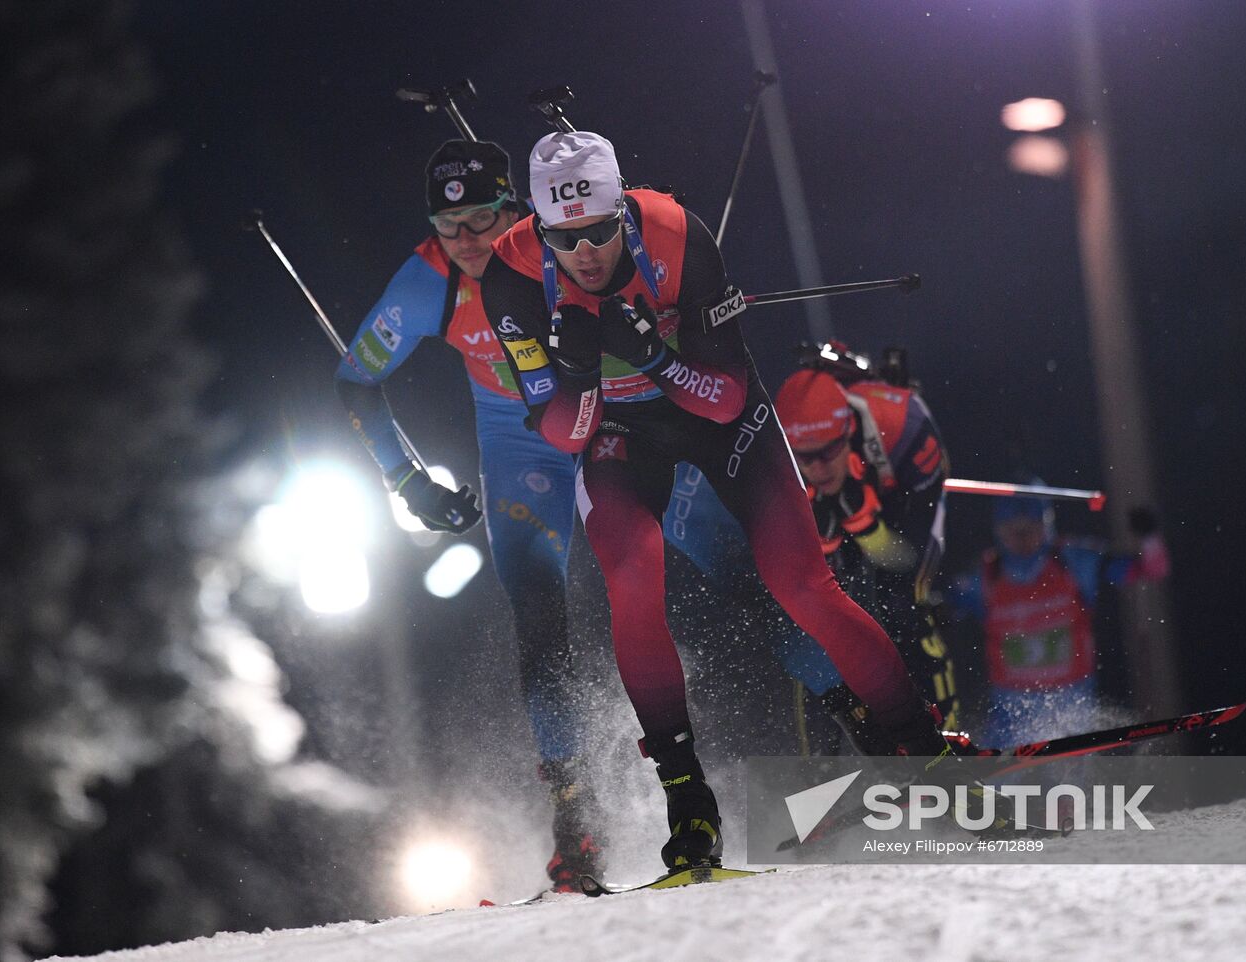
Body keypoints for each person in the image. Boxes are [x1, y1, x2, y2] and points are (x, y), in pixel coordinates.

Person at [480, 130, 962, 871]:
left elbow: (726, 397)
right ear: (539, 227)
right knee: (633, 575)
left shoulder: (674, 234)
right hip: (615, 429)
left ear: (624, 215)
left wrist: (651, 357)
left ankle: (922, 750)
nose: (585, 253)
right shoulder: (512, 274)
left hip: (712, 413)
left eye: (601, 232)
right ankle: (688, 801)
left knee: (801, 583)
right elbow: (564, 434)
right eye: (564, 237)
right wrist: (577, 374)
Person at [334, 139, 604, 891]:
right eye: (449, 225)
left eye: (483, 218)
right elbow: (354, 382)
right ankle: (576, 824)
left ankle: (877, 762)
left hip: (611, 427)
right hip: (524, 452)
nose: (469, 241)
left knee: (719, 571)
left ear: (515, 210)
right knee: (541, 618)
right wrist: (408, 482)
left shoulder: (561, 248)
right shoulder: (429, 279)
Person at [774, 358, 960, 754]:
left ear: (849, 431)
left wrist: (868, 529)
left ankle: (948, 738)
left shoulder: (904, 427)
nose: (818, 467)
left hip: (899, 487)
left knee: (903, 603)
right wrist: (828, 544)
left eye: (828, 451)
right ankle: (818, 771)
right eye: (804, 457)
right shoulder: (775, 462)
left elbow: (906, 558)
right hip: (824, 502)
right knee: (817, 622)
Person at [947, 488, 1170, 748]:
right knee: (992, 780)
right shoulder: (985, 575)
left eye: (1030, 529)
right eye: (1011, 530)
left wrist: (1149, 537)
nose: (1021, 539)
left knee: (1068, 784)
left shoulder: (1074, 561)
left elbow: (1152, 569)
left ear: (1046, 526)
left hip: (1070, 704)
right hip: (1011, 710)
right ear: (998, 531)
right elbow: (942, 609)